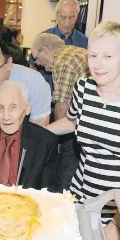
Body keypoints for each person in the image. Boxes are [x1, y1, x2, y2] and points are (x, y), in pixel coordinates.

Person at [46, 21, 120, 240]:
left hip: (119, 208)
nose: (97, 64)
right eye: (93, 55)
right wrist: (37, 132)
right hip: (80, 197)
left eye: (107, 56)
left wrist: (117, 223)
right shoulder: (84, 88)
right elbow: (74, 123)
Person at [0, 80, 59, 191]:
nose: (6, 116)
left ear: (27, 108)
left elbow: (48, 195)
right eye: (0, 108)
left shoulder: (46, 142)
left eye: (13, 107)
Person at [31, 33, 89, 190]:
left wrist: (55, 141)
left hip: (79, 126)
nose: (37, 63)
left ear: (45, 50)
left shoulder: (62, 61)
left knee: (65, 174)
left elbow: (62, 106)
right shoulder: (74, 51)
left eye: (36, 57)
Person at [30, 0, 89, 91]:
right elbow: (32, 68)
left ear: (77, 16)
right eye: (63, 17)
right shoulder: (43, 38)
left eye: (72, 17)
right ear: (57, 16)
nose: (67, 22)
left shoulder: (84, 41)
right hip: (46, 92)